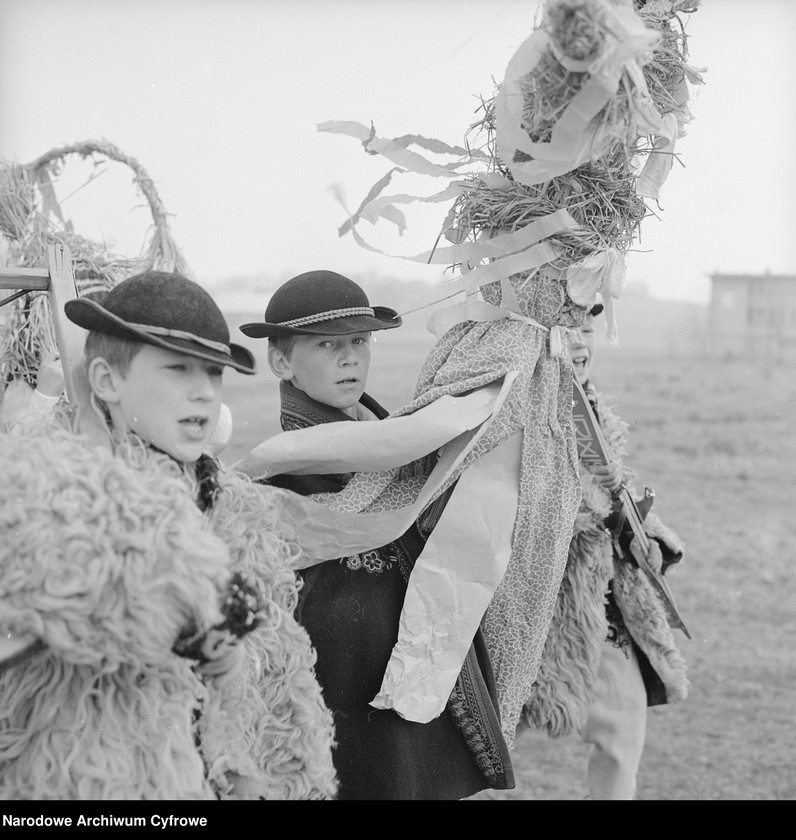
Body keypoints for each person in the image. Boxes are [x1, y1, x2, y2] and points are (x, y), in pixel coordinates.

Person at [0, 270, 337, 799]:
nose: (204, 392)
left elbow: (277, 675)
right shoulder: (46, 494)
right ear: (107, 382)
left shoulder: (234, 506)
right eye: (178, 369)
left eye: (213, 372)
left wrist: (286, 774)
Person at [238, 269, 515, 800]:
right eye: (327, 345)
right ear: (280, 361)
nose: (350, 358)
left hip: (410, 664)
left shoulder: (406, 448)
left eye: (359, 341)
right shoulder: (280, 476)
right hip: (347, 682)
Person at [520, 302, 689, 800]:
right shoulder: (518, 411)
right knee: (485, 739)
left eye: (588, 330)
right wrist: (588, 515)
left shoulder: (596, 411)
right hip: (528, 610)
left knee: (622, 734)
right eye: (566, 332)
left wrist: (644, 530)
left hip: (595, 604)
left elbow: (615, 499)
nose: (579, 344)